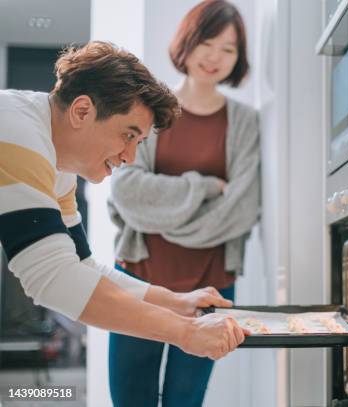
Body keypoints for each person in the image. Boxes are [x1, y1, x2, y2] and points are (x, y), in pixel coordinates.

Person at [0, 41, 249, 363]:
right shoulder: (15, 133)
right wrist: (185, 332)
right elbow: (54, 278)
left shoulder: (58, 170)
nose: (129, 157)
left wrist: (173, 301)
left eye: (138, 142)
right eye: (128, 136)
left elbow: (81, 265)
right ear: (82, 111)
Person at [107, 1, 260, 406]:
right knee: (130, 399)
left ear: (238, 58)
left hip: (211, 288)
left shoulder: (245, 121)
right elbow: (126, 191)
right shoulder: (150, 110)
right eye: (207, 42)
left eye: (228, 49)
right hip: (139, 281)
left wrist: (162, 214)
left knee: (185, 401)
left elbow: (243, 209)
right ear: (187, 43)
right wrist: (206, 188)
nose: (214, 57)